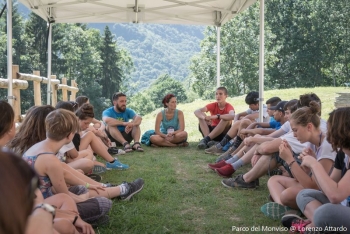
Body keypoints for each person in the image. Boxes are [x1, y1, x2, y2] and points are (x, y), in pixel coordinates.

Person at [220, 93, 324, 189]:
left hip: (316, 179)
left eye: (289, 112)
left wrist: (257, 146)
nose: (287, 115)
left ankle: (242, 175)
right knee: (275, 181)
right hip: (315, 173)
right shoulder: (316, 125)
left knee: (274, 152)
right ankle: (232, 162)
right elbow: (271, 137)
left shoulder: (303, 129)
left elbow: (267, 147)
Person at [260, 101, 335, 220]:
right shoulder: (312, 142)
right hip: (317, 188)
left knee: (287, 195)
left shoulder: (327, 146)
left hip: (327, 192)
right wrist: (300, 164)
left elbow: (313, 186)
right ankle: (287, 209)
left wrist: (290, 159)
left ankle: (289, 208)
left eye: (295, 130)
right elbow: (300, 178)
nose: (294, 135)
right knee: (274, 180)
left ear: (309, 127)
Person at [282, 107, 350, 232]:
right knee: (303, 195)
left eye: (330, 130)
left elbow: (335, 196)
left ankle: (313, 226)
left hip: (342, 208)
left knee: (324, 213)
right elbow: (326, 190)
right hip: (343, 206)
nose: (327, 133)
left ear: (342, 131)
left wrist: (314, 165)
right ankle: (317, 226)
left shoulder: (328, 147)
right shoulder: (343, 154)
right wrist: (314, 164)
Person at [208, 100, 291, 177]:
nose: (271, 112)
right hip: (277, 149)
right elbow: (267, 133)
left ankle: (231, 161)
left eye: (287, 113)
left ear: (280, 113)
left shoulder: (287, 124)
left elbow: (266, 134)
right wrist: (252, 133)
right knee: (255, 137)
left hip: (283, 155)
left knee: (256, 140)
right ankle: (230, 162)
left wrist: (250, 134)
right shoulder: (284, 124)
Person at [204, 91, 269, 155]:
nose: (249, 107)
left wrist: (239, 123)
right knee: (240, 120)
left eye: (251, 105)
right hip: (251, 130)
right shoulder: (253, 109)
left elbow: (248, 117)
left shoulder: (264, 109)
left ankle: (226, 146)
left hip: (261, 132)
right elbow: (238, 115)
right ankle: (223, 146)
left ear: (258, 104)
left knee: (244, 120)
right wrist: (236, 122)